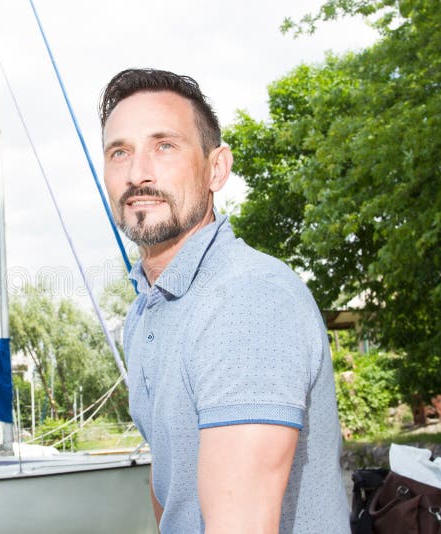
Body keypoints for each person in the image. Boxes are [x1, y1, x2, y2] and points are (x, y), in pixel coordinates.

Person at [99, 68, 349, 533]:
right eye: (120, 152)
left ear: (217, 168)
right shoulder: (147, 310)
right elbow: (169, 486)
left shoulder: (247, 298)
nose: (138, 173)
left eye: (165, 146)